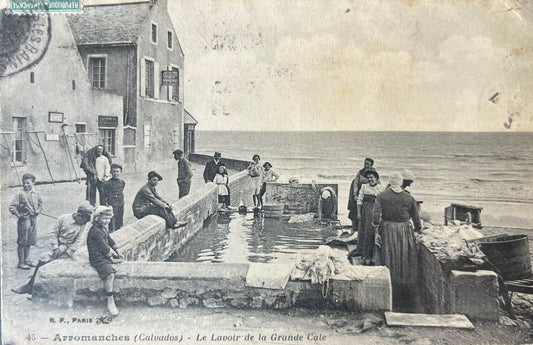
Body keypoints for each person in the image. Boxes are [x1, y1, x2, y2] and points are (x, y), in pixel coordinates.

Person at [12, 203, 93, 294]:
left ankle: (39, 289)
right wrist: (55, 248)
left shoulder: (83, 225)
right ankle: (30, 286)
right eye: (85, 220)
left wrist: (67, 250)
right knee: (43, 260)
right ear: (79, 215)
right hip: (57, 246)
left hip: (71, 249)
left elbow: (78, 241)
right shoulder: (63, 218)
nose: (85, 223)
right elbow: (53, 234)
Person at [372, 171, 421, 312]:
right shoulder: (409, 197)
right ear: (400, 182)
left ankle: (389, 284)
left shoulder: (381, 196)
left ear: (390, 182)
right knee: (403, 256)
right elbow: (416, 218)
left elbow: (375, 217)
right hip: (404, 231)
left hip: (387, 229)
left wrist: (376, 231)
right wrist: (418, 229)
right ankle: (403, 288)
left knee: (389, 255)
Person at [86, 206, 122, 316]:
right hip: (97, 258)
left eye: (109, 219)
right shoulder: (95, 230)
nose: (107, 221)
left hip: (104, 255)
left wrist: (117, 250)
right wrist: (112, 259)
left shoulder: (103, 227)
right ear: (97, 218)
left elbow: (109, 239)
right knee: (110, 275)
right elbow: (103, 246)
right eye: (104, 218)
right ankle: (110, 300)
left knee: (119, 262)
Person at [9, 173, 43, 270]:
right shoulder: (20, 194)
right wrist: (19, 215)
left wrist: (38, 211)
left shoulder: (36, 194)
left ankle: (27, 260)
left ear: (33, 183)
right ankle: (21, 262)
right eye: (24, 183)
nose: (25, 185)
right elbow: (12, 207)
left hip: (33, 220)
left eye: (28, 183)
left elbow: (41, 205)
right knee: (22, 242)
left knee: (29, 241)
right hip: (24, 221)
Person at [355, 170, 384, 265]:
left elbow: (382, 203)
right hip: (365, 213)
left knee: (374, 234)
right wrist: (359, 213)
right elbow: (359, 200)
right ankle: (365, 256)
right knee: (365, 234)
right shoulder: (364, 187)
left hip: (375, 213)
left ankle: (373, 257)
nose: (370, 179)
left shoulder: (380, 188)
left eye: (372, 177)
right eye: (368, 178)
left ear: (376, 178)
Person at [347, 158, 375, 232]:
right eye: (365, 163)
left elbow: (378, 184)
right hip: (358, 192)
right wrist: (355, 195)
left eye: (368, 164)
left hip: (368, 194)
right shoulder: (360, 172)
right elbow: (355, 183)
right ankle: (355, 227)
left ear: (371, 165)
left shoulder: (374, 173)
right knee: (355, 210)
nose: (366, 165)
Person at [102, 164, 125, 232]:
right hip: (112, 204)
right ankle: (112, 233)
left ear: (120, 172)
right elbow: (104, 195)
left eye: (117, 171)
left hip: (121, 203)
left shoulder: (122, 182)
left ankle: (119, 231)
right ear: (111, 172)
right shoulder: (107, 183)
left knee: (120, 219)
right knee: (112, 221)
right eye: (114, 171)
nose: (115, 173)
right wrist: (106, 205)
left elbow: (121, 191)